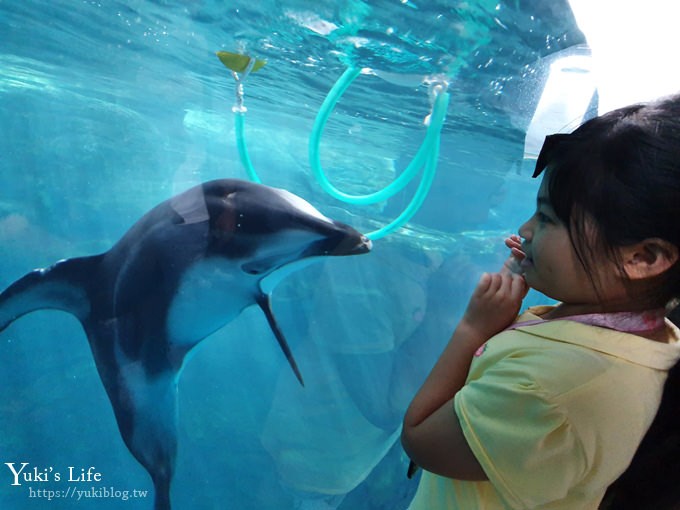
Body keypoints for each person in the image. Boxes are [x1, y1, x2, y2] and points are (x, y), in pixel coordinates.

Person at [401, 94, 680, 509]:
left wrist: (473, 329)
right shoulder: (646, 335)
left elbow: (421, 440)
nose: (524, 228)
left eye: (547, 218)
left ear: (643, 258)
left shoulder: (553, 390)